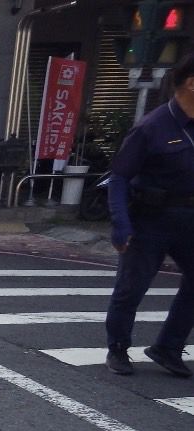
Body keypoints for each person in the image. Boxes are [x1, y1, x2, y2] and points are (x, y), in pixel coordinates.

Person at [104, 52, 194, 378]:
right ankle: (117, 348)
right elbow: (119, 177)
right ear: (191, 83)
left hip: (189, 218)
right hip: (151, 219)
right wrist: (120, 223)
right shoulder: (152, 127)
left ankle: (167, 348)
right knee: (132, 288)